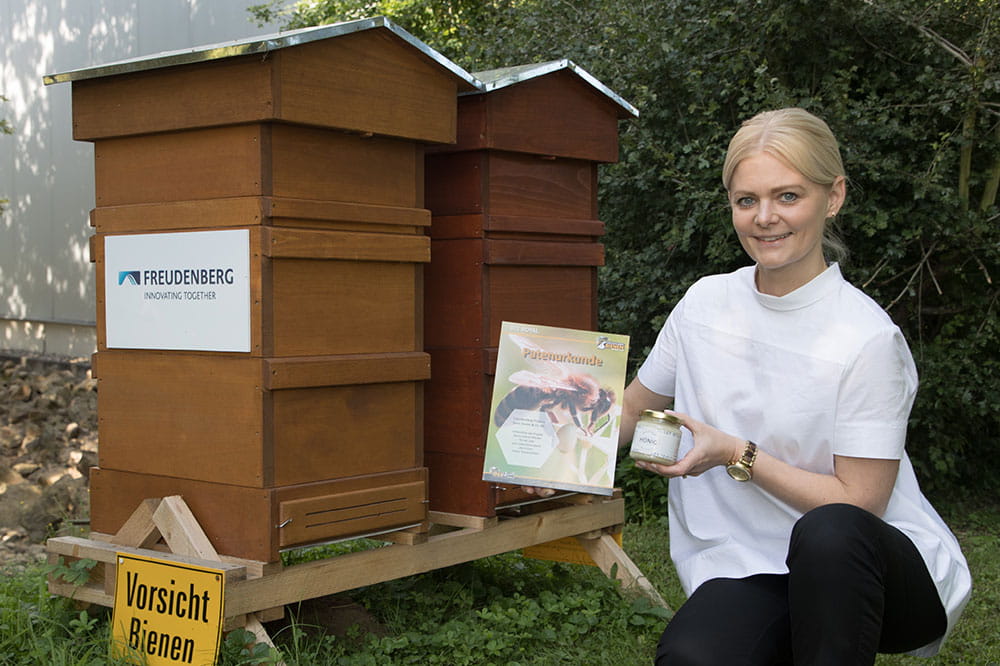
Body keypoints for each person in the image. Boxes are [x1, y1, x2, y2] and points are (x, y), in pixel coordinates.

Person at [610, 107, 971, 664]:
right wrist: (557, 455)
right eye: (746, 200)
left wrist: (736, 453)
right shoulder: (705, 303)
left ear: (834, 197)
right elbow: (631, 410)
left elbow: (860, 505)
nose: (765, 218)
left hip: (874, 569)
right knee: (691, 658)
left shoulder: (866, 337)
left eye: (788, 196)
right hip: (751, 564)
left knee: (830, 533)